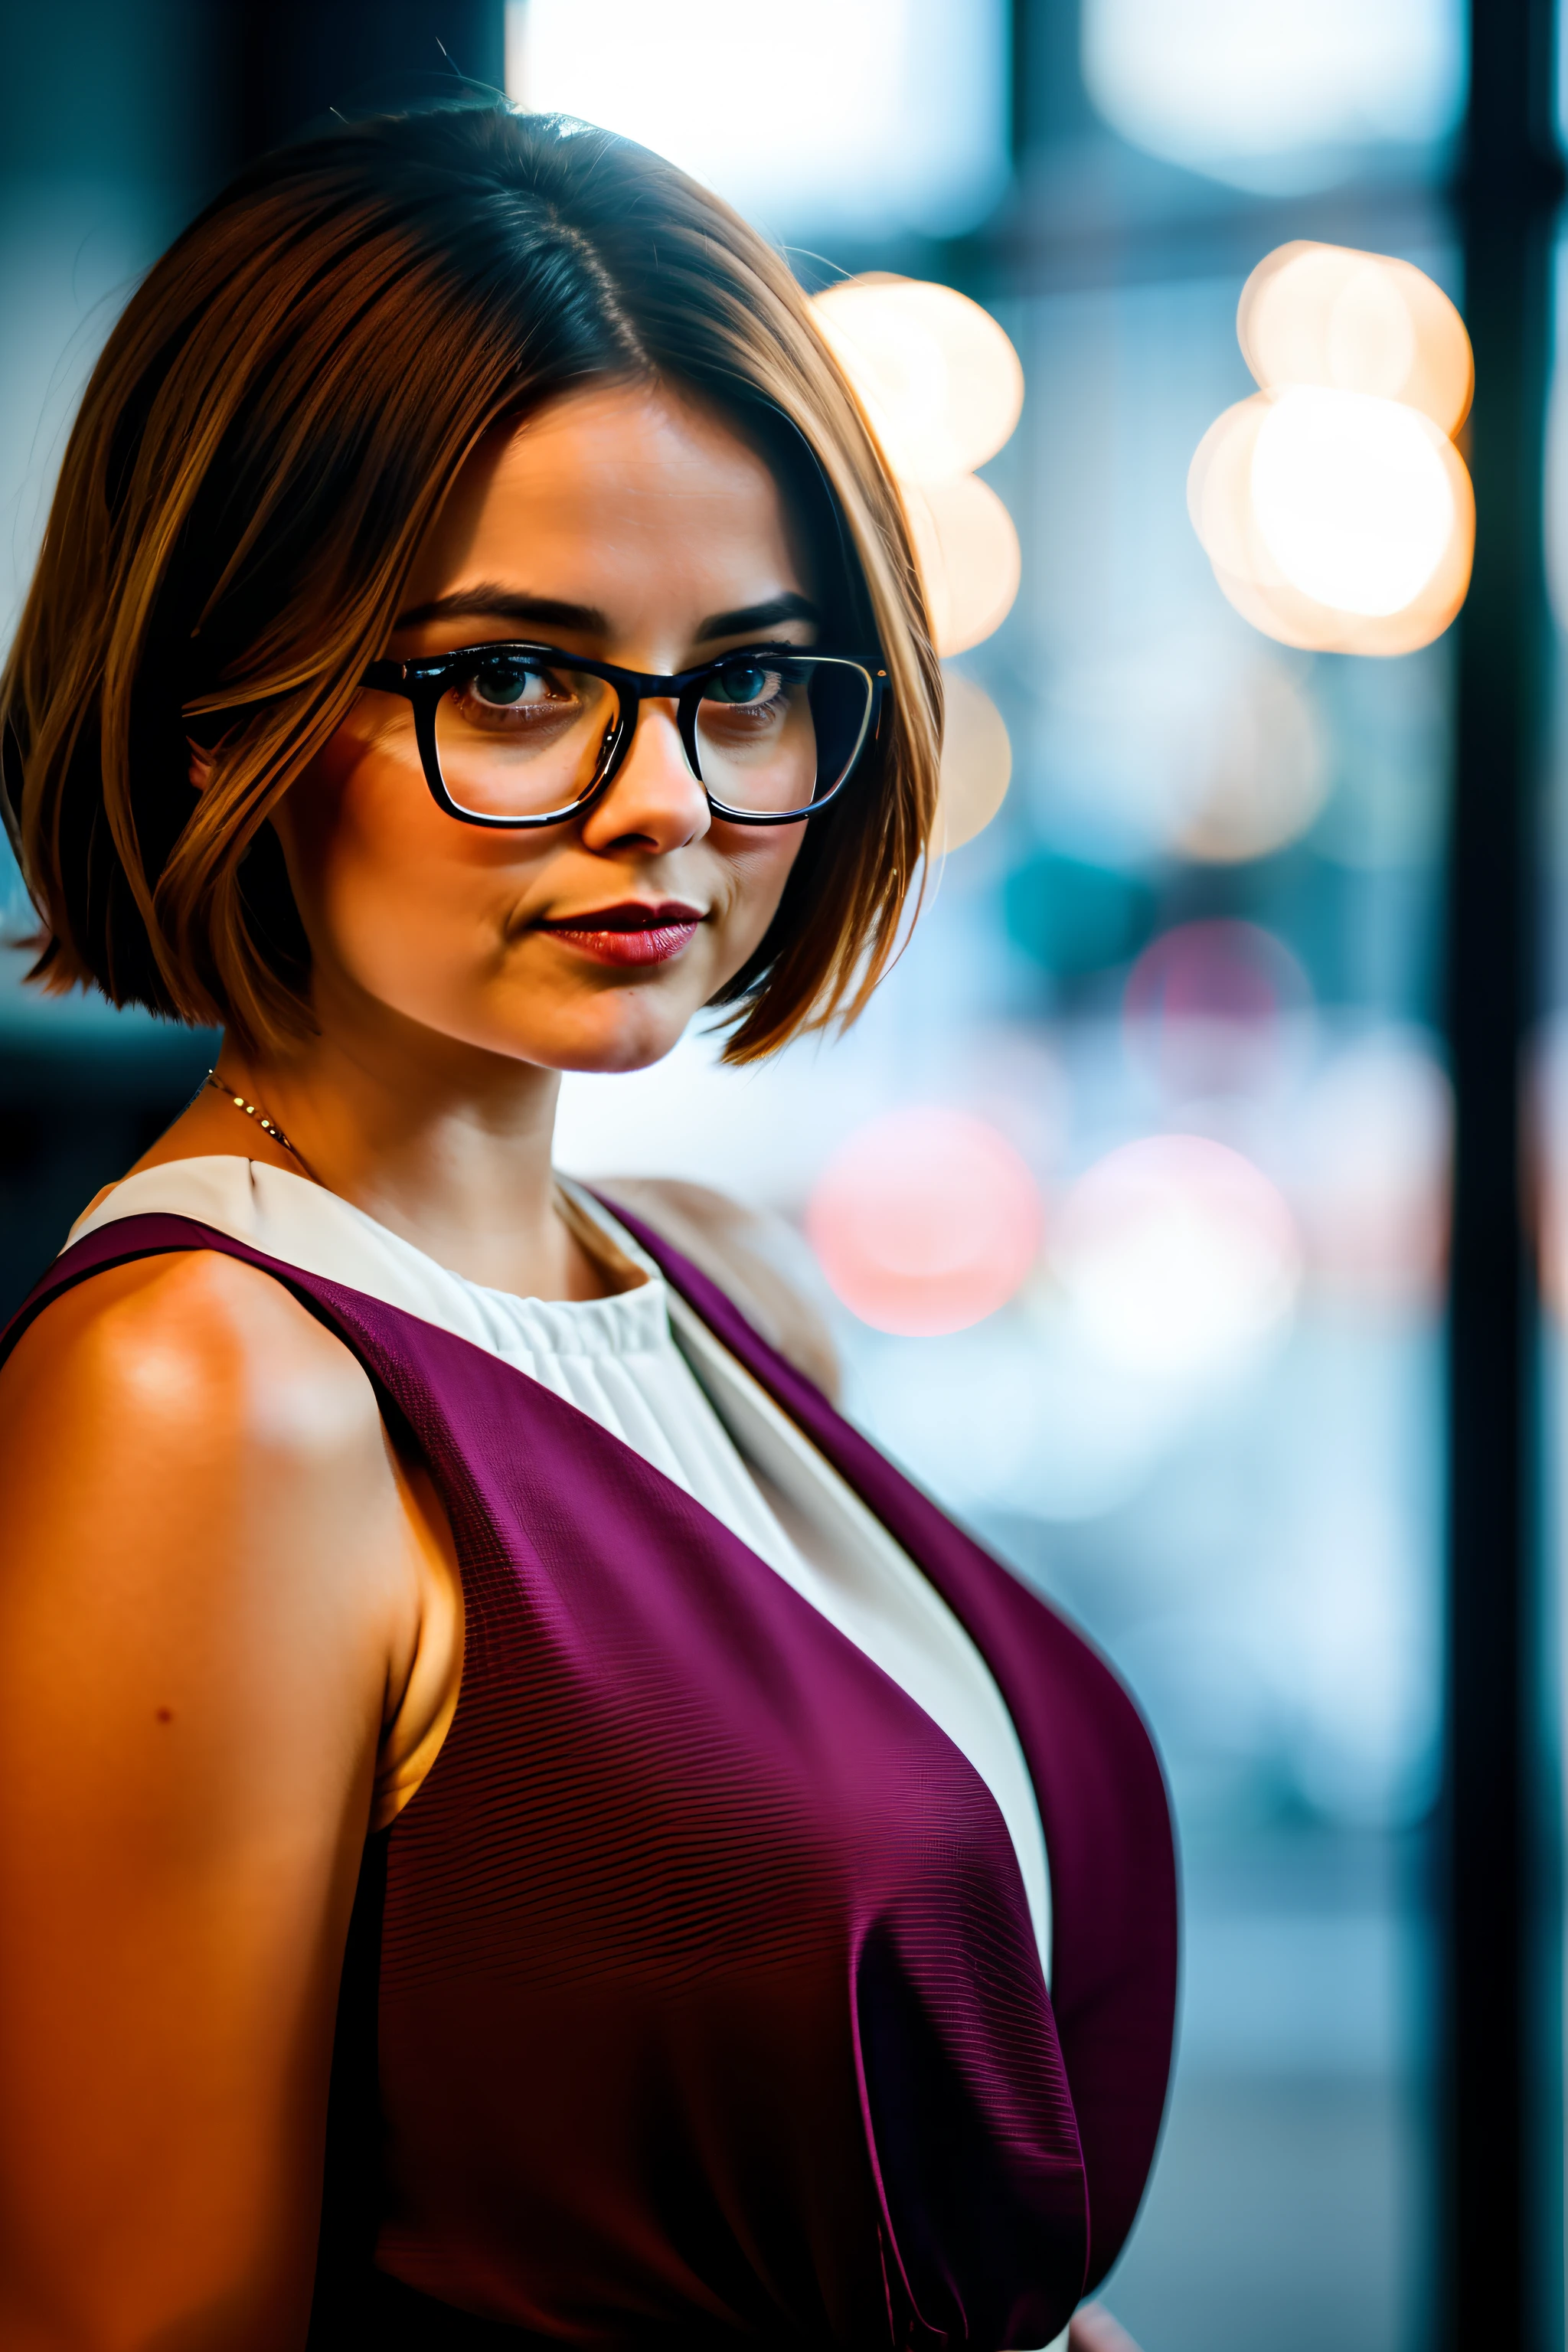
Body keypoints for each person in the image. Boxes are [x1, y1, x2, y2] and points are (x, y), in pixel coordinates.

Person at [0, 102, 1175, 2352]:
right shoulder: (211, 1395)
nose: (670, 798)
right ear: (214, 701)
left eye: (742, 677)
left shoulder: (730, 1284)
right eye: (513, 680)